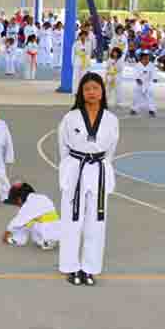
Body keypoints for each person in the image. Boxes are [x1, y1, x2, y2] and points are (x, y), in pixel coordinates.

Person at [58, 72, 119, 286]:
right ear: (81, 93)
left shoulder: (111, 120)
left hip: (99, 170)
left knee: (96, 221)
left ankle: (89, 268)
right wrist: (70, 168)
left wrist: (99, 164)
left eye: (95, 88)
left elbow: (111, 149)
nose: (91, 92)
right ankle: (71, 267)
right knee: (72, 220)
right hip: (75, 169)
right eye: (87, 89)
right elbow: (63, 147)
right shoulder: (71, 118)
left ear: (102, 91)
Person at [2, 182, 59, 250]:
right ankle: (47, 240)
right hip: (55, 229)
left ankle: (16, 240)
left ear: (19, 199)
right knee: (29, 221)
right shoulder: (42, 197)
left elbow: (17, 221)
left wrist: (7, 232)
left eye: (16, 202)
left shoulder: (28, 204)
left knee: (24, 223)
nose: (18, 205)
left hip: (47, 234)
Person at [130, 50, 157, 117]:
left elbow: (154, 73)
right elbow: (135, 74)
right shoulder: (137, 65)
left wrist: (154, 78)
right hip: (139, 83)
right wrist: (138, 79)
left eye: (147, 58)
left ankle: (152, 110)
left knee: (150, 96)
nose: (146, 60)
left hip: (148, 83)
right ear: (141, 59)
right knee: (136, 96)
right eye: (144, 58)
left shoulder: (151, 65)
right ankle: (134, 109)